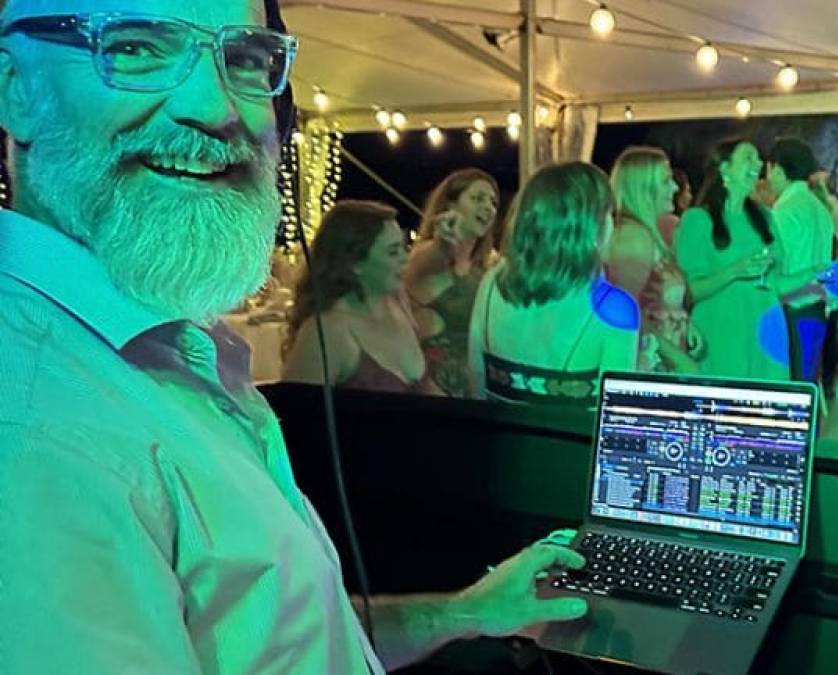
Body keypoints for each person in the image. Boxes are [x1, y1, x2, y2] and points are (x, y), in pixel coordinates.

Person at [0, 1, 588, 673]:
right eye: (134, 47)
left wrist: (466, 611)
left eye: (247, 60)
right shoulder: (33, 433)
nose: (212, 104)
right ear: (15, 88)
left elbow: (291, 639)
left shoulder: (167, 350)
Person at [468, 161, 639, 404]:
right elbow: (615, 418)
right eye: (610, 214)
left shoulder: (492, 282)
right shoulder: (614, 308)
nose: (614, 225)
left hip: (499, 440)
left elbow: (476, 384)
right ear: (590, 227)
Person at [283, 200, 439, 394]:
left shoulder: (398, 304)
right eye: (393, 252)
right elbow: (295, 414)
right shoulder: (326, 332)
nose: (405, 258)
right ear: (354, 263)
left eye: (403, 247)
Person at [674, 139, 789, 381]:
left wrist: (814, 276)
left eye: (758, 159)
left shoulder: (765, 219)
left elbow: (778, 282)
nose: (758, 164)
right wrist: (734, 271)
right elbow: (689, 292)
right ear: (724, 168)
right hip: (720, 331)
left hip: (766, 329)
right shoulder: (697, 220)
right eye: (748, 157)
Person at [405, 168, 500, 397]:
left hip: (473, 392)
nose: (488, 207)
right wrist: (443, 242)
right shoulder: (426, 256)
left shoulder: (487, 268)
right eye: (477, 199)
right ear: (450, 205)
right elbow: (434, 255)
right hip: (429, 391)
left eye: (493, 202)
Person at [608, 146, 700, 372]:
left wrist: (685, 323)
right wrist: (677, 357)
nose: (675, 187)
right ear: (643, 188)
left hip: (662, 356)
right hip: (649, 363)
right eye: (667, 180)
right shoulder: (633, 237)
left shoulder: (646, 233)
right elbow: (625, 311)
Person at [764, 137, 834, 381]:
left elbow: (777, 264)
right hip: (817, 307)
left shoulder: (784, 210)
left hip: (790, 310)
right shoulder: (820, 208)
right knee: (807, 386)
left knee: (790, 388)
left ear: (777, 168)